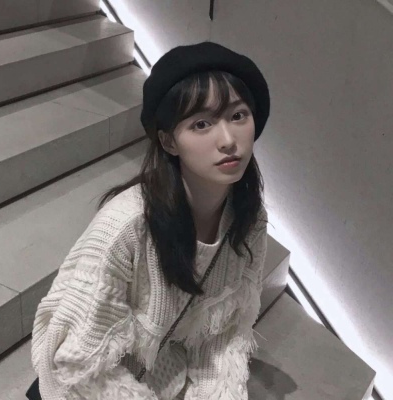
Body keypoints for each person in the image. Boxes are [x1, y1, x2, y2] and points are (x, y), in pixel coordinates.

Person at [29, 40, 270, 400]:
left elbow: (224, 336)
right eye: (201, 124)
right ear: (169, 142)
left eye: (238, 116)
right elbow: (77, 365)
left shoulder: (249, 219)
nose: (227, 140)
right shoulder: (125, 227)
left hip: (161, 374)